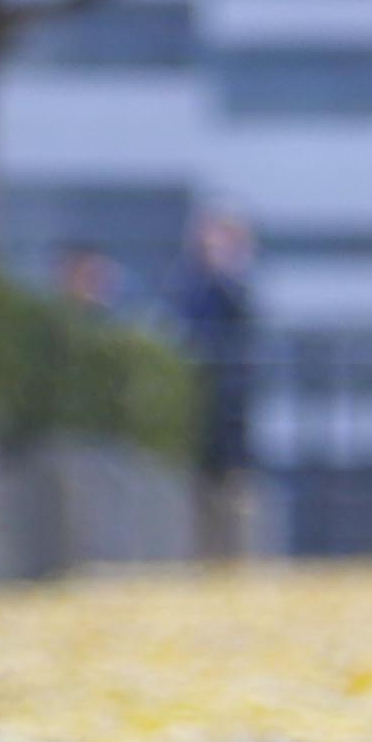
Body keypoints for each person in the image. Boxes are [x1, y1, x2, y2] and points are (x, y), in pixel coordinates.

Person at [168, 207, 259, 548]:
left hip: (231, 419)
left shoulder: (235, 289)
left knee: (233, 504)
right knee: (201, 506)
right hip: (198, 417)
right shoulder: (191, 287)